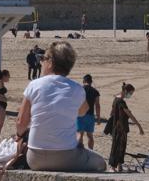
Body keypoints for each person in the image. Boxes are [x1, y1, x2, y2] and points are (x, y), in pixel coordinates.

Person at [16, 41, 106, 172]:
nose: (41, 62)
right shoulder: (76, 89)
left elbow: (21, 123)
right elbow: (83, 111)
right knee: (101, 163)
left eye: (43, 59)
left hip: (35, 158)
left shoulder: (34, 85)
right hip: (66, 156)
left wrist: (19, 136)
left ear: (51, 62)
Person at [108, 82, 145, 172]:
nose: (130, 95)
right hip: (119, 128)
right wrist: (139, 125)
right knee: (116, 146)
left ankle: (119, 166)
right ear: (125, 91)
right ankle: (112, 167)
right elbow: (129, 114)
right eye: (130, 93)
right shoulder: (120, 101)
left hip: (120, 127)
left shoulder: (116, 99)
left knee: (122, 146)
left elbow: (112, 113)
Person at [77, 74, 101, 150]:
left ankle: (80, 152)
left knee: (80, 134)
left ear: (84, 81)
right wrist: (98, 117)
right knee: (90, 135)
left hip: (80, 115)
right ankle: (91, 151)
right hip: (90, 115)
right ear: (91, 82)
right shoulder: (95, 92)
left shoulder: (80, 90)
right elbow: (97, 106)